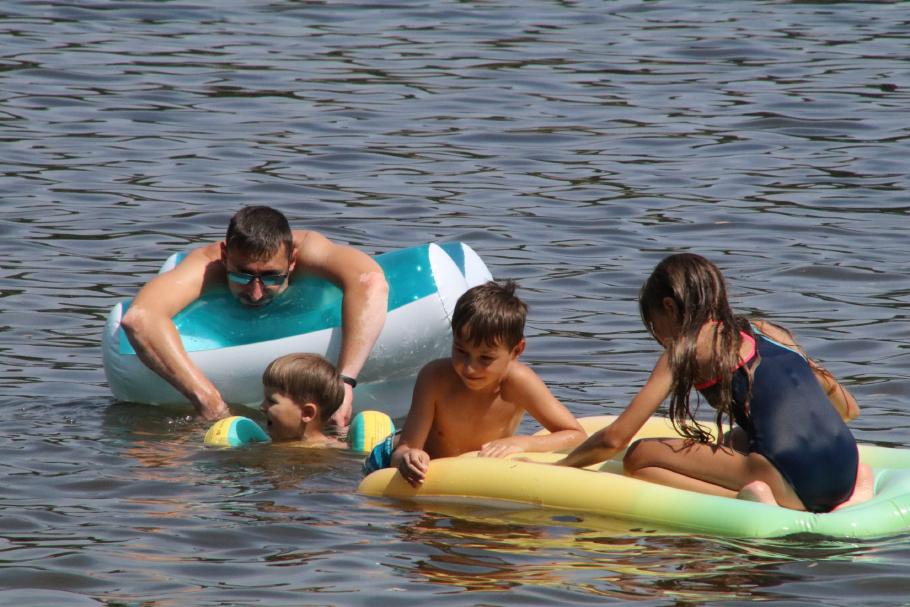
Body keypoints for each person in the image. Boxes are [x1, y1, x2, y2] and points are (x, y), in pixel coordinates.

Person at [556, 253, 873, 512]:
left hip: (792, 485)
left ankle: (748, 499)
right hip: (846, 467)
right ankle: (845, 489)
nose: (659, 338)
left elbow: (614, 439)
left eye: (655, 325)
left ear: (669, 307)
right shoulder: (766, 330)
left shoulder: (683, 352)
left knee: (638, 457)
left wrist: (562, 467)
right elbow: (848, 409)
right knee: (734, 439)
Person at [120, 205, 388, 424]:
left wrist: (344, 383)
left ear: (292, 261)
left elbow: (372, 283)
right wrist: (208, 400)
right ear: (225, 256)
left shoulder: (310, 251)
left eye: (271, 277)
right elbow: (139, 318)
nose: (256, 292)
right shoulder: (206, 265)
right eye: (241, 275)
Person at [375, 280, 586, 486]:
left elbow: (576, 435)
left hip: (472, 475)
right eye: (461, 351)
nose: (469, 368)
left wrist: (522, 442)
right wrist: (408, 457)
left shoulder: (519, 383)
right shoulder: (435, 377)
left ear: (517, 351)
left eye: (485, 358)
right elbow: (406, 448)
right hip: (405, 462)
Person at [259, 353, 346, 447]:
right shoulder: (271, 445)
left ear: (307, 413)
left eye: (272, 401)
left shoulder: (331, 450)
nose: (262, 407)